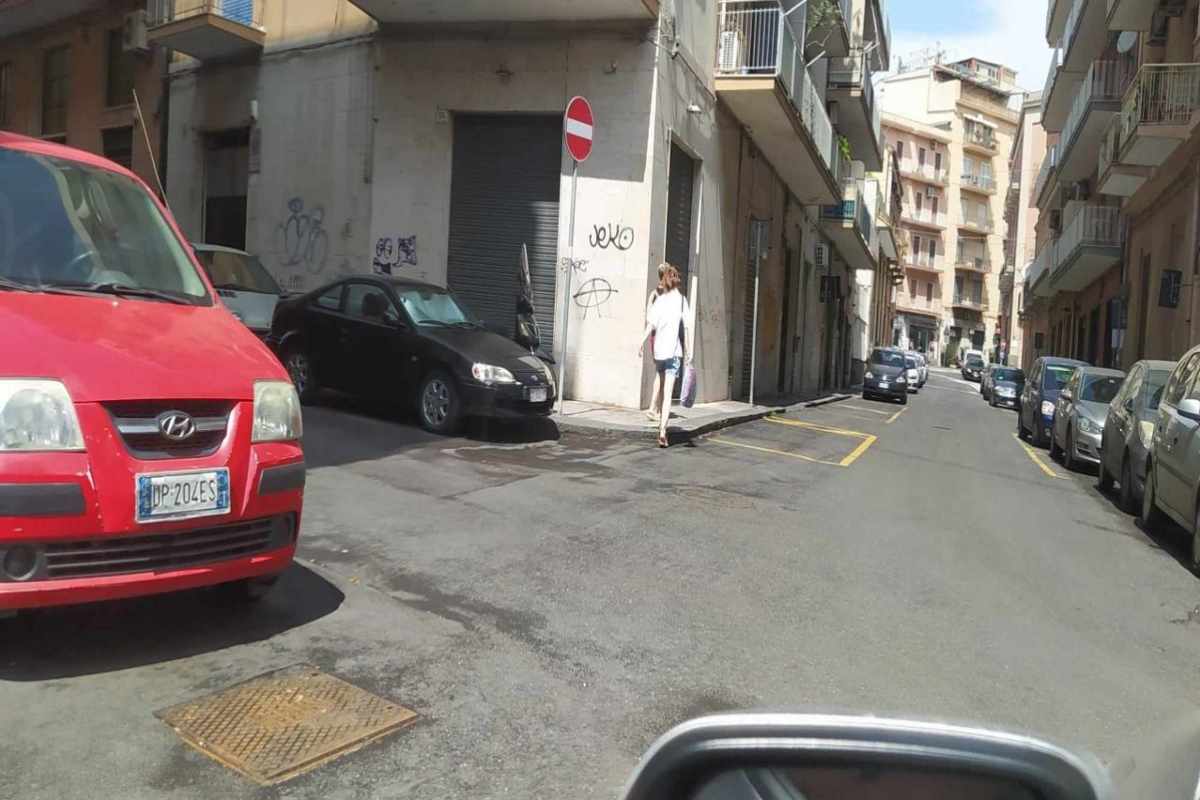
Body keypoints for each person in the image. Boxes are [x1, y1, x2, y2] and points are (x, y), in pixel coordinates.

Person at [639, 264, 692, 448]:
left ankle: (658, 417)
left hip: (659, 352)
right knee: (668, 394)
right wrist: (689, 351)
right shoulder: (682, 301)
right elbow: (687, 327)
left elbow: (650, 325)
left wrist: (641, 342)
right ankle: (662, 431)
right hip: (674, 353)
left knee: (661, 388)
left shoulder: (660, 301)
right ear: (677, 282)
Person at [645, 264, 668, 421]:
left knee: (662, 373)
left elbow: (648, 318)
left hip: (655, 337)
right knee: (661, 374)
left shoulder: (653, 294)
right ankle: (653, 408)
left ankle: (657, 409)